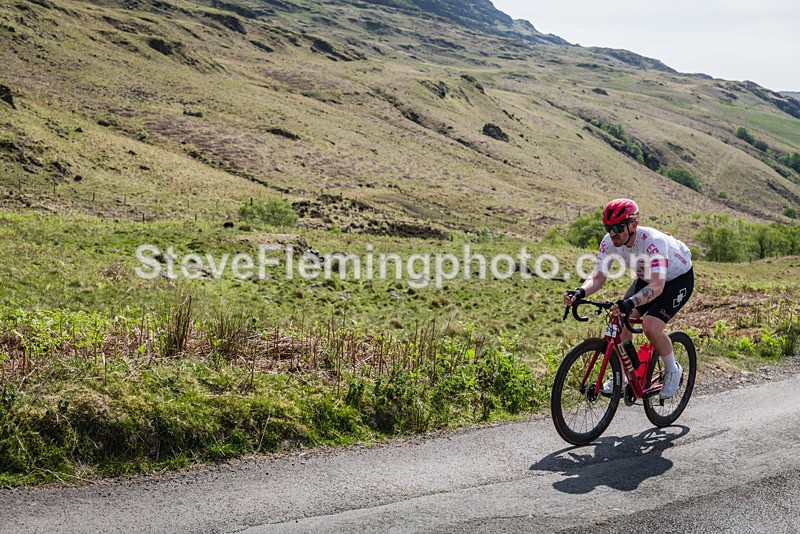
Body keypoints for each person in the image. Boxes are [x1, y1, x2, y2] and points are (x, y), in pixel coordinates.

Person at [562, 198, 694, 398]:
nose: (613, 233)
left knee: (650, 326)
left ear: (633, 225)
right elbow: (597, 277)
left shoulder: (653, 241)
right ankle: (623, 375)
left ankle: (673, 370)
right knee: (621, 319)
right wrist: (580, 292)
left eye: (617, 227)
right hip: (646, 277)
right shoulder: (609, 242)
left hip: (676, 280)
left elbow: (658, 286)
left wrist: (630, 302)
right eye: (608, 227)